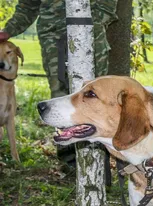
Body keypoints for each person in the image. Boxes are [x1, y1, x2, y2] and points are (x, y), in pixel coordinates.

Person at [0, 0, 118, 167]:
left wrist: (95, 19)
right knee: (60, 94)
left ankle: (97, 166)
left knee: (95, 94)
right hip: (52, 35)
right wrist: (8, 30)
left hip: (87, 30)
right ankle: (70, 161)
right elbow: (28, 5)